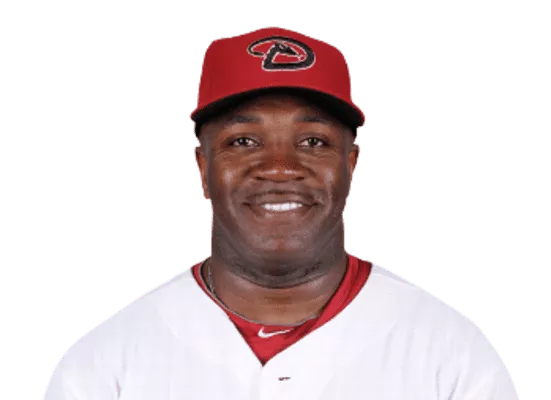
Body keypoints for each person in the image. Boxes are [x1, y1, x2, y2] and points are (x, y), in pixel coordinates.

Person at [43, 26, 519, 400]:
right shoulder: (106, 364)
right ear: (202, 167)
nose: (279, 167)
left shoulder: (450, 354)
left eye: (313, 141)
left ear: (350, 164)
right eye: (243, 141)